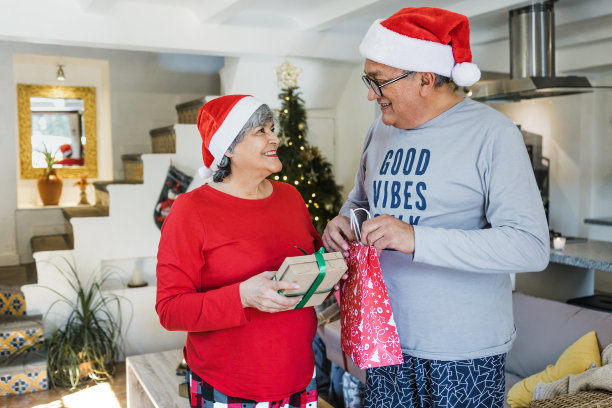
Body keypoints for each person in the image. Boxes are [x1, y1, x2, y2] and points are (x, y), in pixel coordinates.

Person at [322, 7, 550, 408]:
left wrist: (415, 238)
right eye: (368, 80)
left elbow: (530, 247)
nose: (370, 94)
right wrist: (344, 219)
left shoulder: (492, 133)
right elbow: (361, 200)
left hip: (463, 349)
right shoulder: (380, 130)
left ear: (425, 79)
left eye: (378, 81)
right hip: (384, 337)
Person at [156, 94, 321, 408]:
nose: (275, 138)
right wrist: (242, 296)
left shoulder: (290, 197)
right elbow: (170, 309)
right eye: (261, 131)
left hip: (299, 377)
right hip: (230, 387)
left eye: (272, 128)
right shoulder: (191, 210)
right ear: (228, 148)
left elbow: (311, 260)